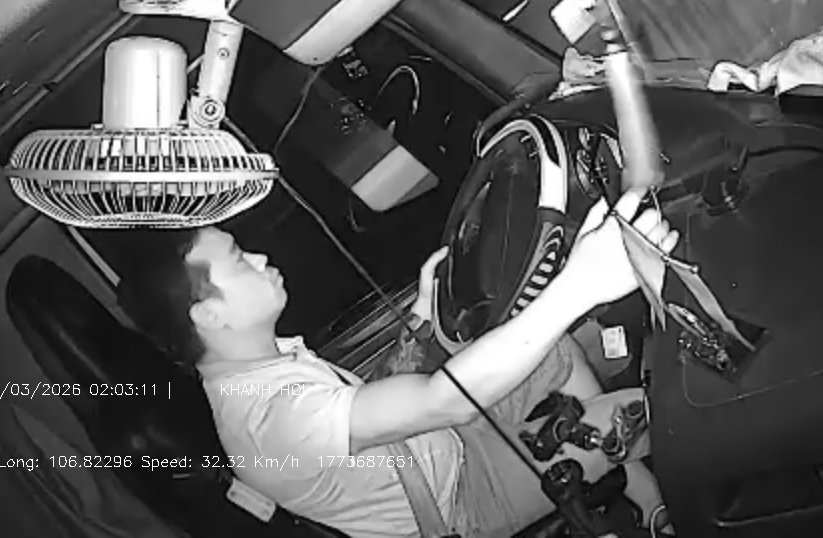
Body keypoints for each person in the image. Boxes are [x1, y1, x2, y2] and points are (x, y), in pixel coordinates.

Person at [118, 190, 678, 538]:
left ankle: (639, 489)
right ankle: (650, 474)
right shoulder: (271, 423)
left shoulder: (260, 368)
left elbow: (375, 406)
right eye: (240, 260)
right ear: (209, 314)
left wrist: (420, 314)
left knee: (547, 348)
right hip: (464, 502)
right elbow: (443, 401)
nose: (260, 257)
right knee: (657, 413)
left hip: (449, 446)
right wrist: (583, 284)